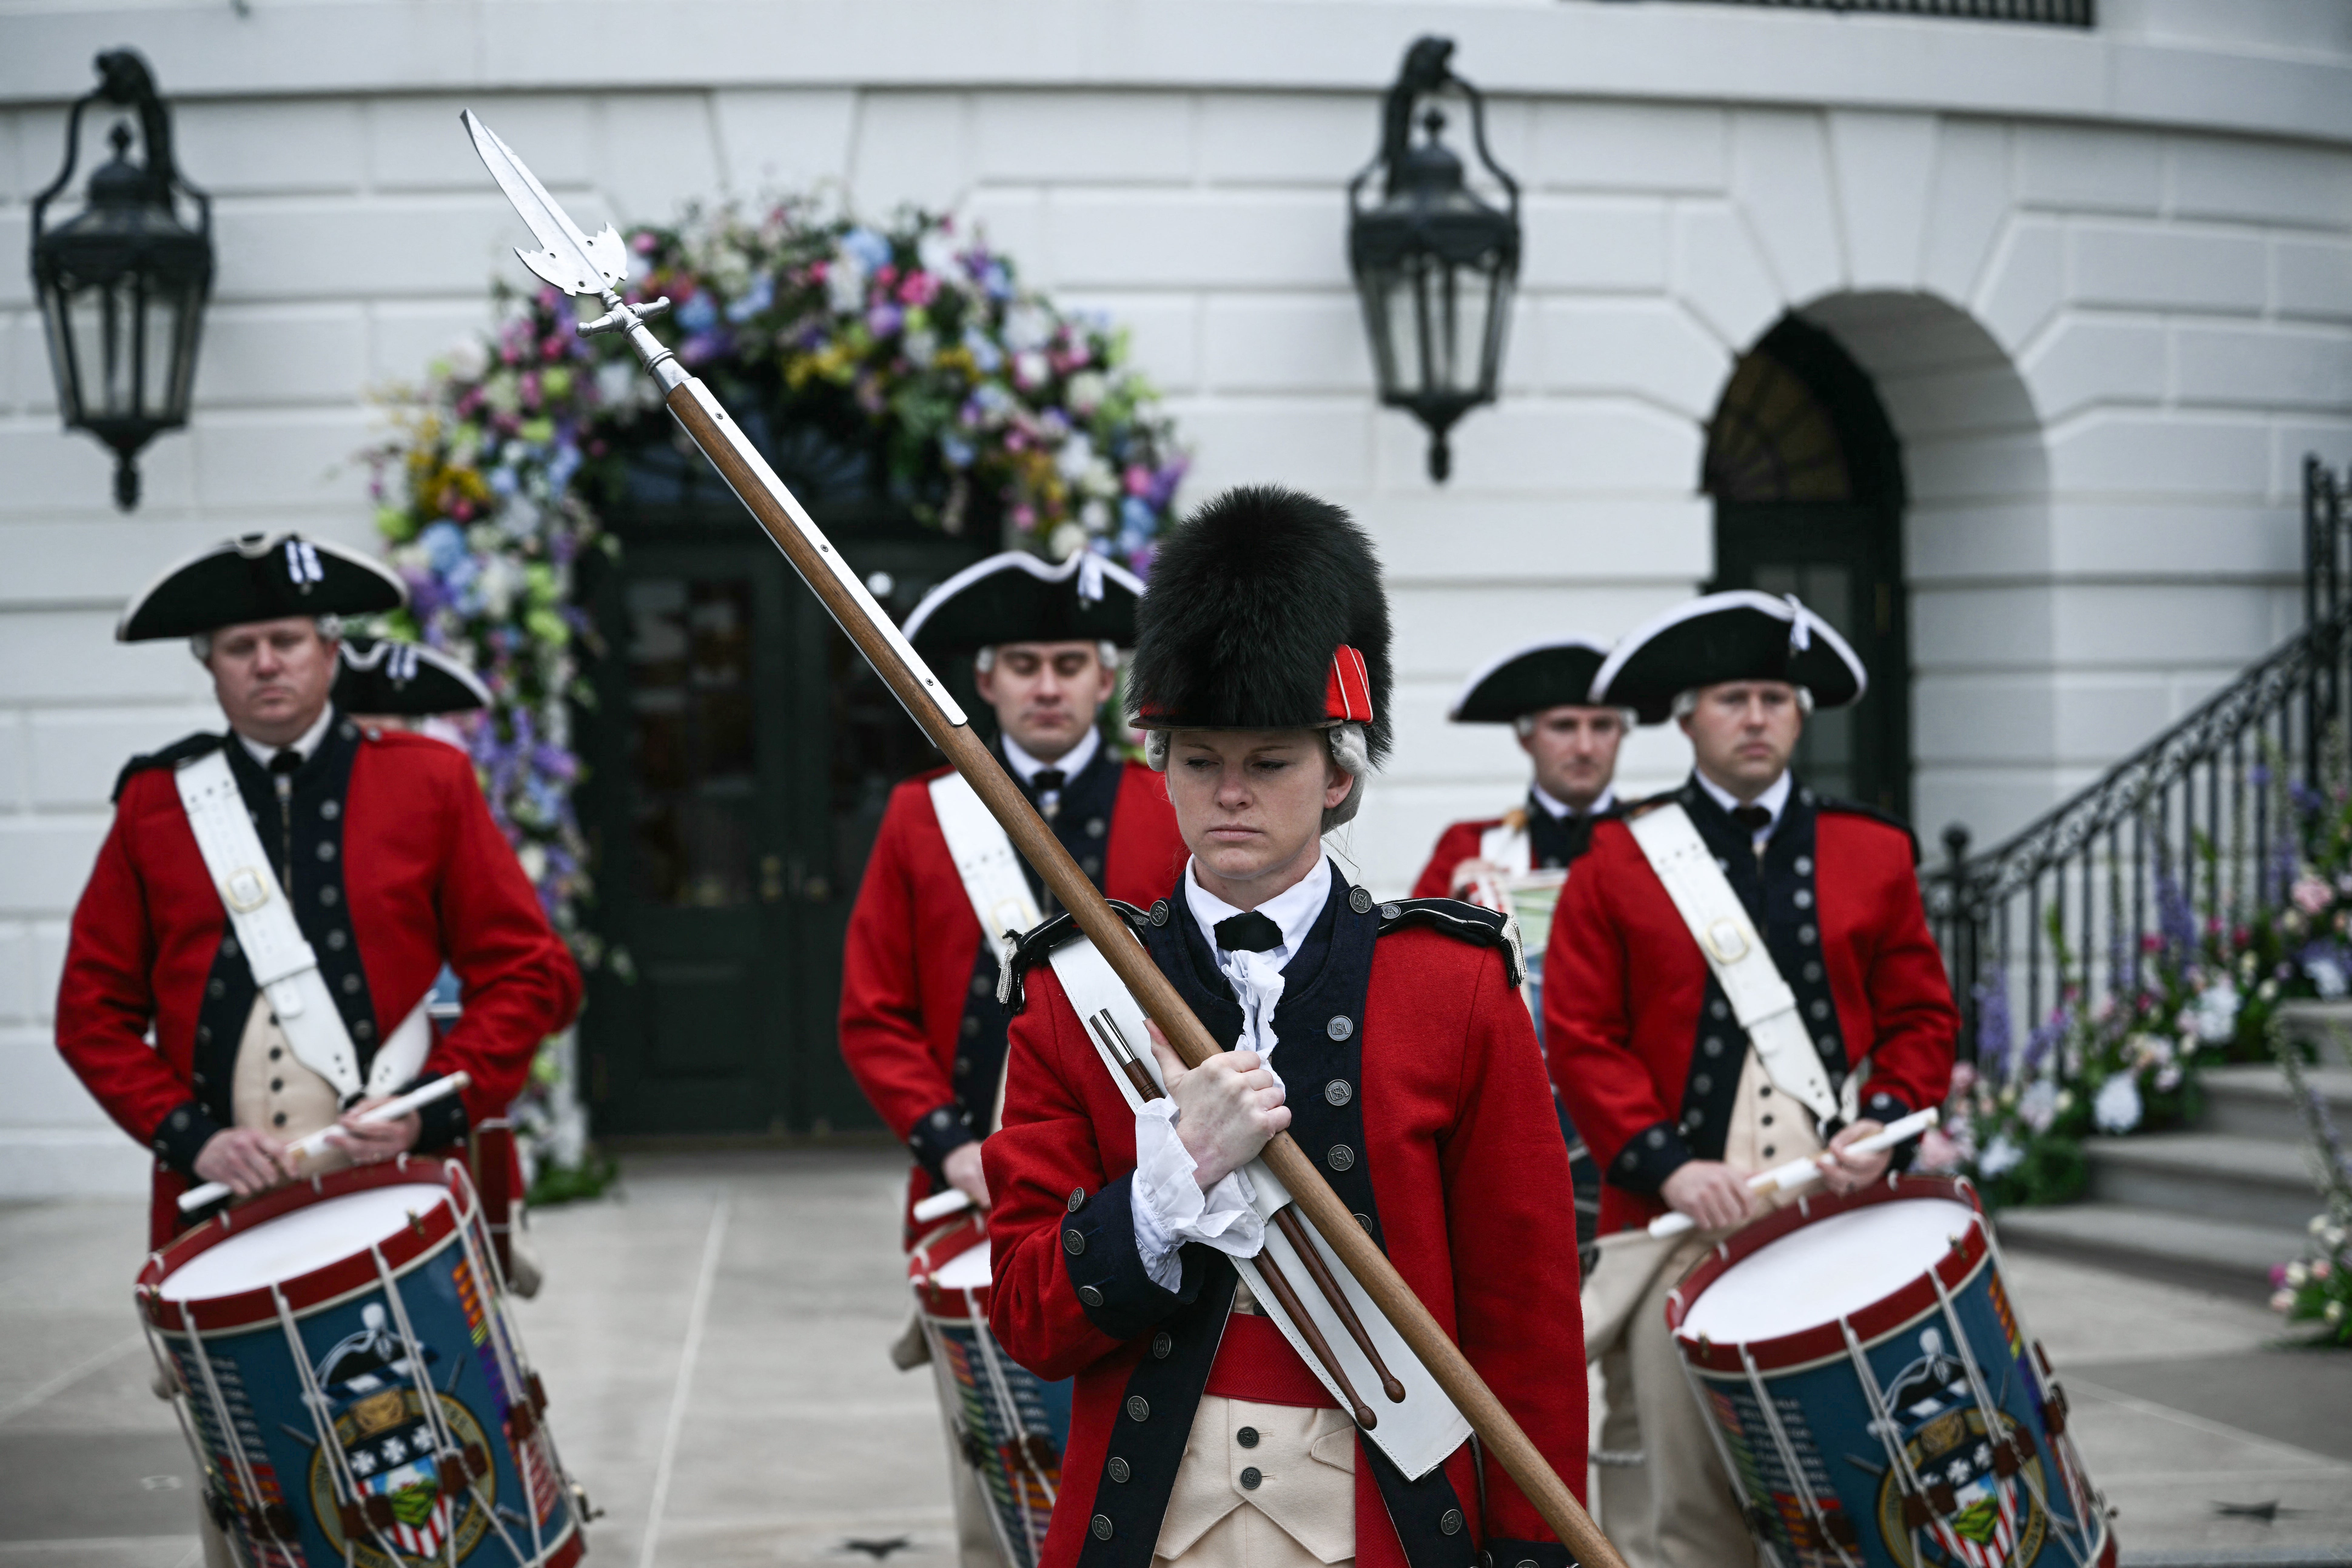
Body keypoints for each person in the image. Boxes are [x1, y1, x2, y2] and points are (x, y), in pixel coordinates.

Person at [984, 487, 1588, 1568]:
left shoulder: (1449, 984)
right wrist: (1169, 1189)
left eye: (1269, 763)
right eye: (1199, 759)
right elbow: (1030, 1317)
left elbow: (1523, 1317)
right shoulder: (1073, 992)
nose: (1229, 794)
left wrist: (1531, 1549)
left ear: (1338, 777)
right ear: (1157, 765)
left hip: (1384, 1515)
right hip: (1152, 1514)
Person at [1544, 590, 1958, 1568]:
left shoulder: (1873, 850)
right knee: (1675, 1491)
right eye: (1732, 697)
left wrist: (1885, 1120)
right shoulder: (1615, 861)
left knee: (1859, 1472)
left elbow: (1919, 1019)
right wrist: (1671, 1166)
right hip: (1681, 1220)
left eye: (1774, 696)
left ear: (1800, 712)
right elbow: (1580, 1035)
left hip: (1836, 1207)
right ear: (1685, 716)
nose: (1756, 717)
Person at [55, 532, 581, 1255]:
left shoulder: (429, 782)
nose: (266, 663)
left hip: (403, 1192)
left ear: (331, 653)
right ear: (209, 665)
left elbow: (528, 974)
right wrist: (194, 1140)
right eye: (240, 647)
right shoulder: (155, 805)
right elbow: (90, 1016)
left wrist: (427, 1113)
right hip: (217, 1212)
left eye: (287, 641)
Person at [839, 550, 1187, 1568]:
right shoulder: (919, 816)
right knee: (1000, 1473)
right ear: (984, 679)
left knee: (1150, 1458)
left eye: (1070, 662)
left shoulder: (1167, 805)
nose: (1046, 685)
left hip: (1140, 1185)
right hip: (972, 1190)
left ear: (1105, 676)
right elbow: (871, 1015)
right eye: (1024, 662)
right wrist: (954, 1151)